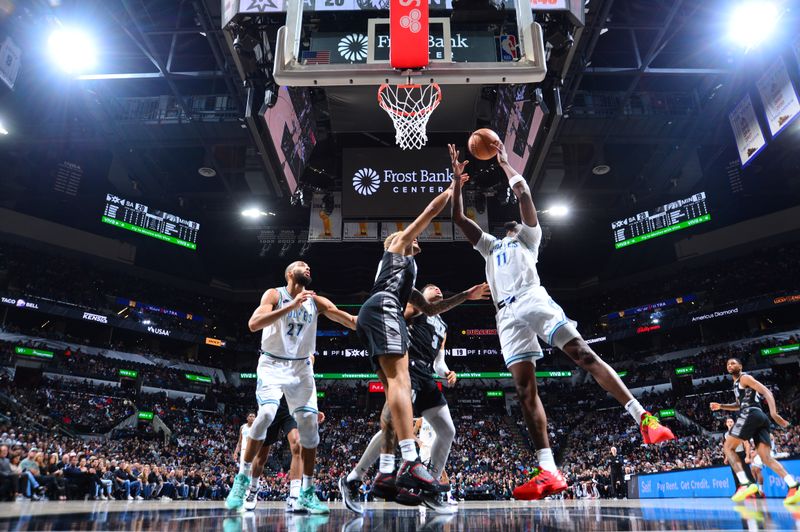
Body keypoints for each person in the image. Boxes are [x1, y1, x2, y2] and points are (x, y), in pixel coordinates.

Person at [448, 141, 675, 500]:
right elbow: (459, 219)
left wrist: (506, 164)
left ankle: (643, 418)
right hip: (504, 314)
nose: (515, 221)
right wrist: (457, 184)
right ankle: (548, 471)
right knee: (524, 392)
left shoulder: (529, 239)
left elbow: (522, 193)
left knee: (583, 354)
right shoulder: (490, 246)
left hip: (531, 297)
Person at [348, 176, 477, 512]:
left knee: (441, 426)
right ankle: (405, 464)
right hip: (383, 311)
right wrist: (452, 189)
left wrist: (467, 295)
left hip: (397, 333)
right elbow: (429, 213)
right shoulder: (396, 251)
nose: (417, 238)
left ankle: (410, 477)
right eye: (412, 237)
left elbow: (433, 308)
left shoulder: (409, 282)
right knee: (396, 400)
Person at [340, 281, 485, 513]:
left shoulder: (444, 326)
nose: (437, 289)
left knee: (448, 430)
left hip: (426, 375)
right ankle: (353, 478)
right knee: (394, 428)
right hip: (406, 370)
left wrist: (446, 372)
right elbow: (397, 321)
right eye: (431, 288)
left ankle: (431, 486)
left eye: (440, 288)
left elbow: (438, 362)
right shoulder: (414, 308)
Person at [226, 261, 357, 513]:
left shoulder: (316, 301)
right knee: (264, 415)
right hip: (273, 364)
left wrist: (379, 322)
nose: (308, 267)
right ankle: (242, 480)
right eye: (301, 265)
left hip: (301, 368)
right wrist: (291, 307)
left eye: (310, 266)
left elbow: (349, 320)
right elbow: (254, 324)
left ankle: (306, 491)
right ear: (289, 273)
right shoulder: (275, 294)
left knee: (309, 428)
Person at [710, 357, 799, 504]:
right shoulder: (737, 384)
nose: (730, 365)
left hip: (751, 413)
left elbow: (766, 391)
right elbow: (739, 404)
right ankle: (793, 486)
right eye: (728, 364)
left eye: (733, 363)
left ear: (740, 365)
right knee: (766, 458)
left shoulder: (745, 377)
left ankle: (745, 484)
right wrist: (721, 406)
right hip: (759, 417)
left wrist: (774, 413)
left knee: (727, 447)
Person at [242, 397, 325, 513]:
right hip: (271, 405)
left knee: (297, 444)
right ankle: (253, 489)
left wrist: (313, 409)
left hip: (290, 408)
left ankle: (294, 497)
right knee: (261, 456)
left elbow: (305, 386)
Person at [722, 418, 756, 492]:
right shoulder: (726, 434)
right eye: (728, 422)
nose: (729, 423)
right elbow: (728, 447)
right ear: (726, 424)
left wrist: (747, 456)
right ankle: (738, 491)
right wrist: (726, 457)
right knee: (735, 474)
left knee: (748, 473)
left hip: (741, 454)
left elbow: (747, 444)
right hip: (732, 455)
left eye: (731, 421)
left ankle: (755, 492)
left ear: (734, 423)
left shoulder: (740, 431)